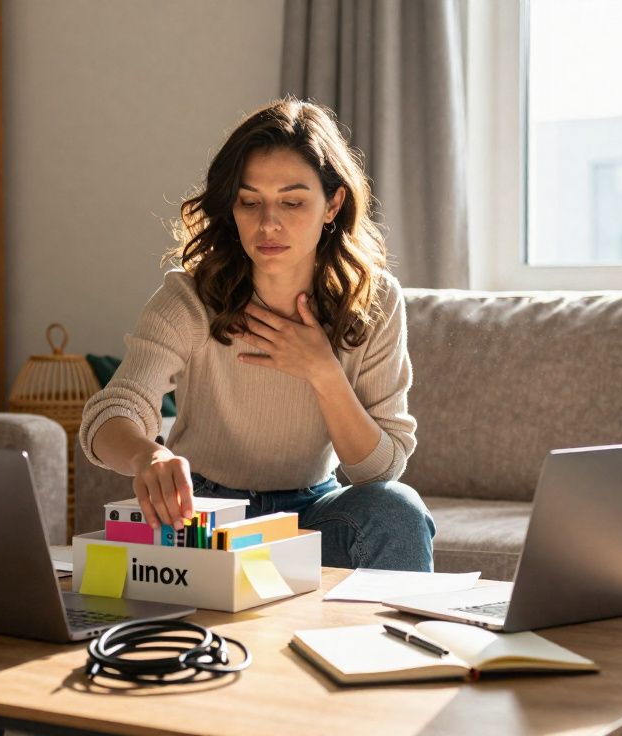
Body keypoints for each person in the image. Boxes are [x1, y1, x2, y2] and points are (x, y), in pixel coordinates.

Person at [78, 98, 435, 572]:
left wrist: (323, 371)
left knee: (397, 508)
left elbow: (378, 471)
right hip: (204, 516)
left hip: (312, 517)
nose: (269, 223)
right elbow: (108, 415)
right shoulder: (189, 298)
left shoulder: (375, 302)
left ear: (333, 203)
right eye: (250, 202)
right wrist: (148, 456)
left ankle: (391, 648)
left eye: (292, 202)